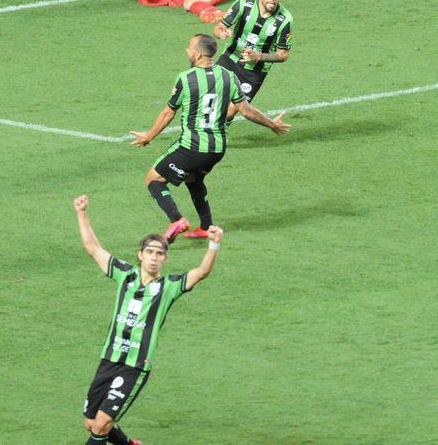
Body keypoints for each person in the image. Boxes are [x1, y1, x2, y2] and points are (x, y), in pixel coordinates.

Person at [72, 194, 223, 445]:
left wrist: (214, 245)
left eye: (159, 253)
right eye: (149, 252)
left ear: (165, 258)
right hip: (109, 359)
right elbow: (93, 248)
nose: (154, 257)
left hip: (135, 366)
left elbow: (202, 272)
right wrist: (81, 212)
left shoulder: (169, 287)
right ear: (140, 254)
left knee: (101, 425)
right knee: (90, 421)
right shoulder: (125, 275)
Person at [130, 33, 290, 241]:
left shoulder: (186, 79)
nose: (187, 50)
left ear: (197, 54)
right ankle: (206, 227)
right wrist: (272, 124)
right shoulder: (228, 76)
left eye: (189, 48)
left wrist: (148, 137)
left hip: (192, 147)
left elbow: (168, 113)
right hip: (217, 148)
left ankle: (176, 220)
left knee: (153, 179)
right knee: (193, 178)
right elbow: (245, 110)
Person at [213, 0, 293, 106]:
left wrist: (259, 56)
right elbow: (219, 27)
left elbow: (283, 55)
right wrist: (221, 32)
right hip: (230, 59)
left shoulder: (285, 20)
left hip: (254, 71)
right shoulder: (244, 4)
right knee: (210, 96)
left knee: (233, 109)